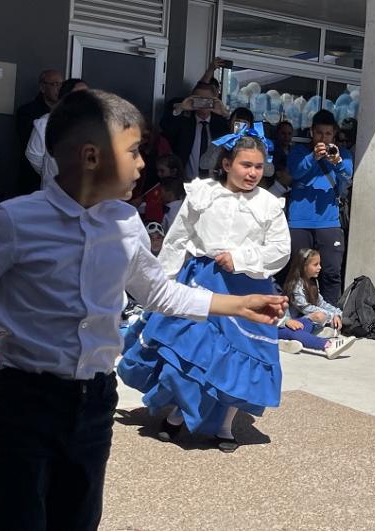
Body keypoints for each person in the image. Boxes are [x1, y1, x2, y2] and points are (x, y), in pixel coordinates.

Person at [0, 89, 287, 530]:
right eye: (134, 151)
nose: (142, 164)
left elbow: (160, 294)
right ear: (92, 156)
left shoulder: (126, 222)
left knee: (77, 518)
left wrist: (238, 304)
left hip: (94, 401)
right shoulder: (15, 221)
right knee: (18, 518)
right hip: (25, 402)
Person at [120, 126, 290, 454]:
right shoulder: (202, 193)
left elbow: (280, 249)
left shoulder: (269, 204)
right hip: (203, 281)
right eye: (245, 165)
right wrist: (162, 283)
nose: (253, 173)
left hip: (248, 287)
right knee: (193, 352)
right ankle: (179, 412)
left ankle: (224, 424)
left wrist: (241, 257)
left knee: (242, 359)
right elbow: (178, 239)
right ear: (226, 164)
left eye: (258, 166)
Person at [285, 110, 353, 304]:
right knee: (297, 272)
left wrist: (338, 162)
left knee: (331, 272)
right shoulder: (299, 152)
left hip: (328, 222)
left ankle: (331, 316)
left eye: (328, 134)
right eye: (319, 133)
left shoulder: (343, 155)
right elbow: (295, 171)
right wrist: (312, 158)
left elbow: (348, 177)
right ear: (312, 132)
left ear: (334, 134)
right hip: (300, 221)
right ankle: (297, 313)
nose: (323, 138)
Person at [281, 248, 355, 359]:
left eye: (319, 264)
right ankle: (328, 346)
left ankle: (287, 342)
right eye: (315, 264)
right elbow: (306, 308)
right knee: (307, 324)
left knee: (305, 326)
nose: (319, 267)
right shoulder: (295, 285)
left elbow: (321, 303)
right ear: (303, 266)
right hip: (284, 325)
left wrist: (337, 313)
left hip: (298, 323)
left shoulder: (312, 282)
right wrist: (330, 317)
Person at [26, 78, 89, 190]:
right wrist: (48, 171)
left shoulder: (94, 125)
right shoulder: (45, 123)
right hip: (53, 190)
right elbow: (33, 155)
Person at [161, 82, 230, 179]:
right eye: (199, 99)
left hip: (214, 184)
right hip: (187, 183)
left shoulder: (220, 124)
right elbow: (166, 128)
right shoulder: (184, 122)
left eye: (207, 100)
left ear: (214, 101)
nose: (203, 103)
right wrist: (181, 107)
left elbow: (234, 141)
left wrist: (224, 113)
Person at [15, 70, 63, 196]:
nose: (58, 89)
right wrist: (48, 171)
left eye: (61, 84)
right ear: (42, 87)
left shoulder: (67, 114)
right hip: (32, 179)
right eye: (54, 84)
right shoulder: (27, 112)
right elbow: (32, 153)